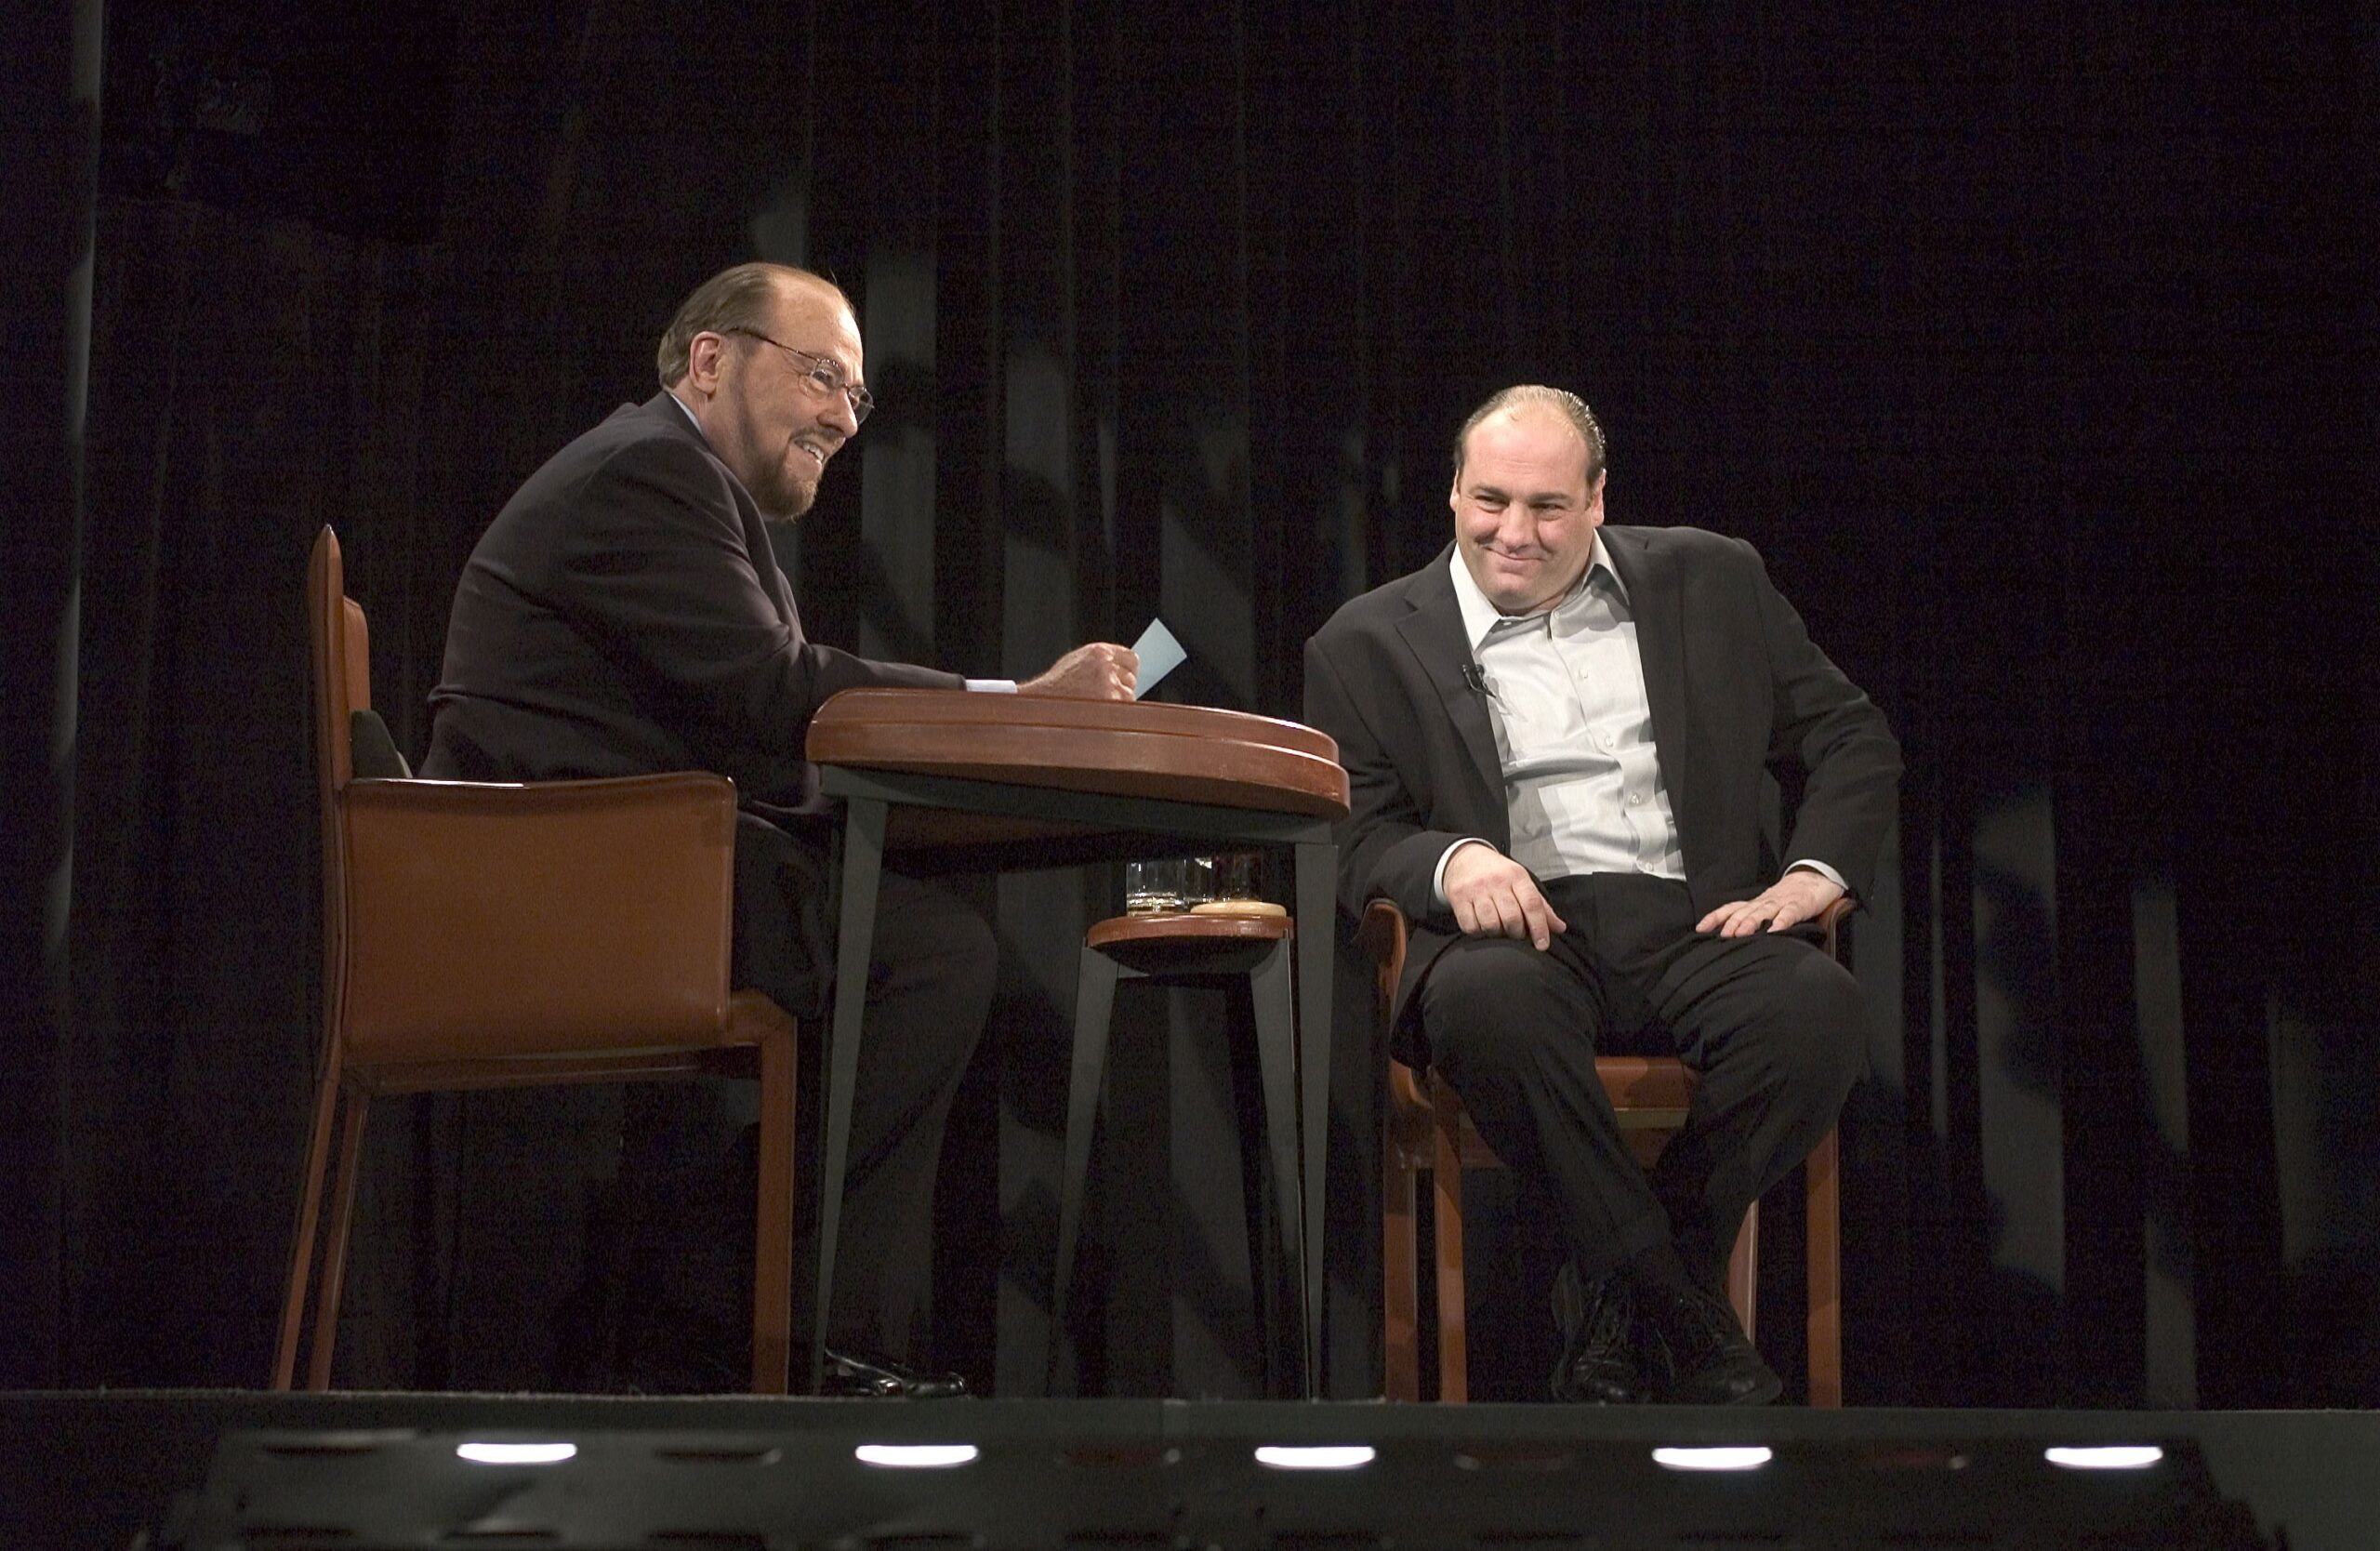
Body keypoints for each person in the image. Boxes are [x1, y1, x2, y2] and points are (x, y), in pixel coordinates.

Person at [423, 261, 1136, 1396]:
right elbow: (776, 690)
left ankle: (714, 1306)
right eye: (820, 378)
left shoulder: (668, 479)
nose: (843, 420)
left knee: (917, 934)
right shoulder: (649, 469)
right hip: (553, 880)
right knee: (928, 955)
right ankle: (749, 1323)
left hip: (603, 860)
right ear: (711, 359)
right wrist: (1023, 704)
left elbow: (749, 718)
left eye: (857, 395)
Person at [1303, 385, 1899, 1404]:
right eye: (1490, 501)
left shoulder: (1712, 578)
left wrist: (1813, 875)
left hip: (1697, 920)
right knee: (1484, 1006)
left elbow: (1850, 735)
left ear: (1597, 500)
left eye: (1547, 507)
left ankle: (1627, 1294)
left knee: (1817, 1011)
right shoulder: (1361, 644)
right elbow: (1354, 835)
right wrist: (1453, 861)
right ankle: (1684, 1311)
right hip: (1522, 935)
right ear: (1453, 492)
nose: (1513, 532)